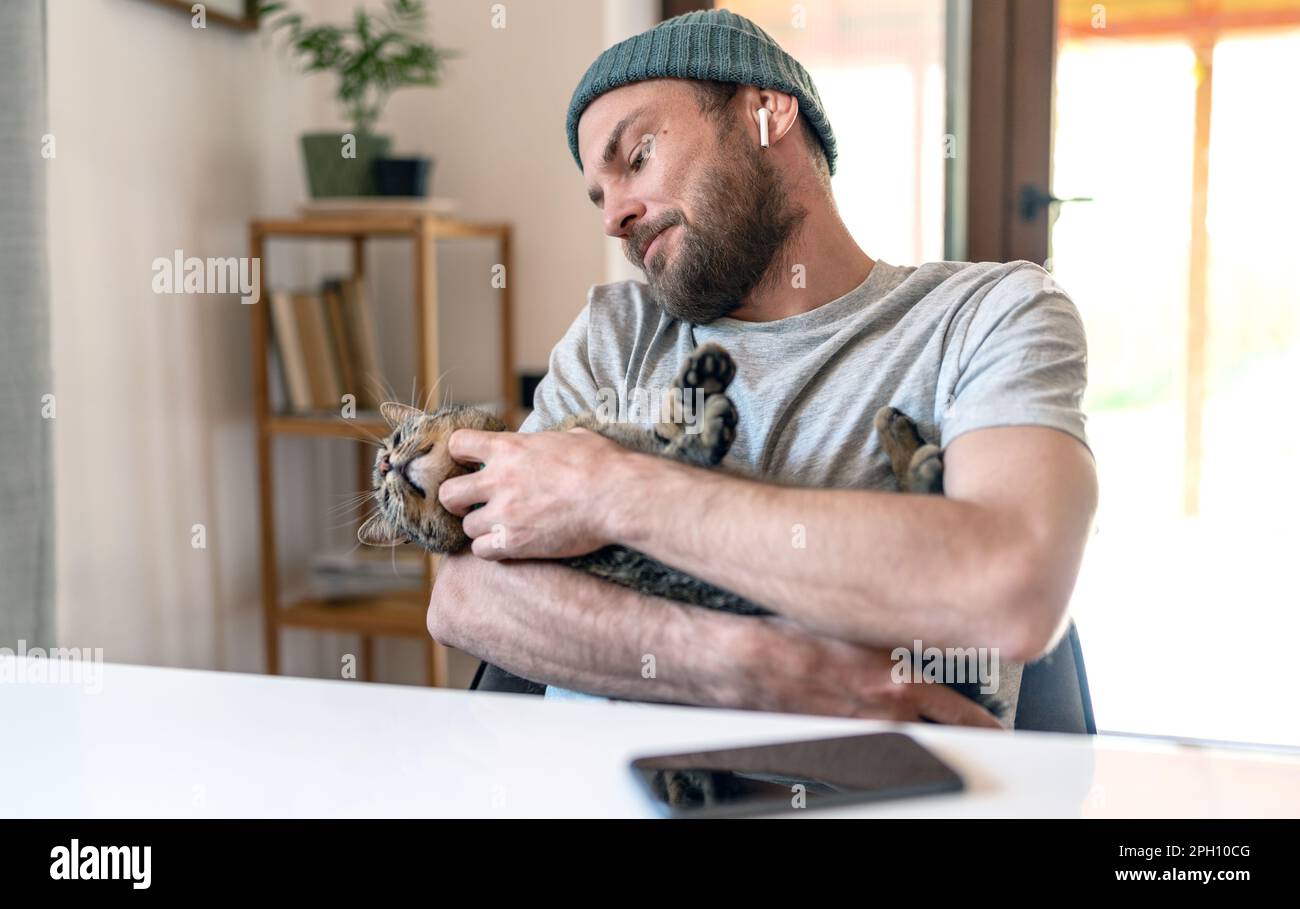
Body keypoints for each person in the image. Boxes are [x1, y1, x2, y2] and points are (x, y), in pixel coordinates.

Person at [428, 9, 1096, 728]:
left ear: (767, 114)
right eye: (599, 194)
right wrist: (763, 668)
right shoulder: (614, 334)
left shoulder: (984, 316)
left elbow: (1010, 587)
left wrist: (610, 490)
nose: (614, 215)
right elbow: (466, 599)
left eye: (638, 155)